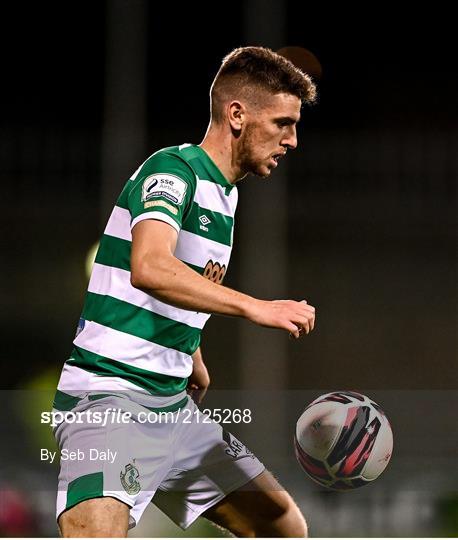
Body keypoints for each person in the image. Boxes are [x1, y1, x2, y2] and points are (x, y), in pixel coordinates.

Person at [53, 46, 317, 537]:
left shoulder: (226, 194)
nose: (293, 140)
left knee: (281, 524)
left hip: (171, 407)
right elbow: (151, 266)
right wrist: (255, 307)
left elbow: (183, 278)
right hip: (111, 399)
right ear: (237, 114)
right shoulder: (174, 172)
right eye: (283, 122)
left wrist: (190, 350)